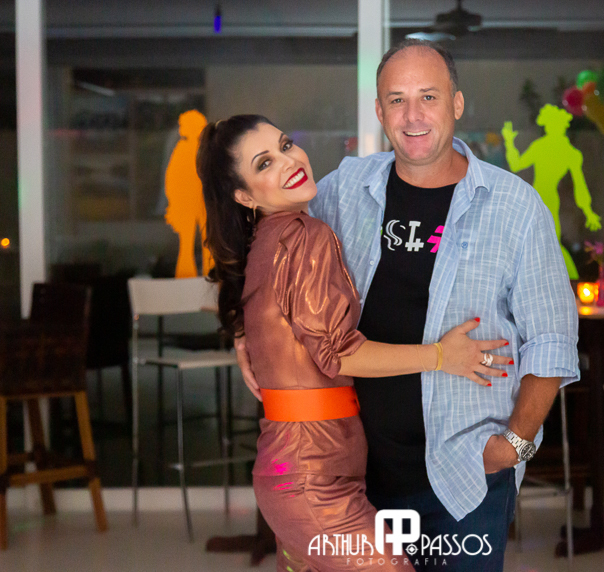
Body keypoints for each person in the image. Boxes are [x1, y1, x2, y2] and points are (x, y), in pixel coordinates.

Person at [237, 40, 580, 572]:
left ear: (457, 103)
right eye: (397, 100)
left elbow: (551, 342)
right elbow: (271, 253)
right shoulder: (344, 189)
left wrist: (514, 446)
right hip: (357, 475)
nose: (413, 115)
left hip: (465, 478)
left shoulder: (516, 207)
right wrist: (245, 331)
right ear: (380, 111)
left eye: (428, 97)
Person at [197, 114, 512, 572]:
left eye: (285, 145)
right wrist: (442, 355)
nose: (289, 161)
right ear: (244, 196)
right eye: (265, 163)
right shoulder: (304, 235)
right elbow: (338, 352)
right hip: (313, 481)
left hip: (300, 472)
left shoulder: (266, 240)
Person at [502, 104, 602, 279]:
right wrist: (509, 142)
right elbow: (516, 165)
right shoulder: (552, 148)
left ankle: (566, 281)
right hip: (536, 199)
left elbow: (580, 186)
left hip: (543, 199)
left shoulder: (567, 152)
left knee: (548, 243)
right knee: (539, 243)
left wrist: (588, 212)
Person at [165, 109, 213, 277]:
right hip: (188, 206)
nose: (180, 129)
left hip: (205, 205)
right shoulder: (183, 149)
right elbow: (172, 179)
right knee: (187, 245)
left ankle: (210, 278)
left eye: (182, 125)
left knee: (208, 243)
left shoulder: (207, 152)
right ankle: (186, 279)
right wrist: (174, 202)